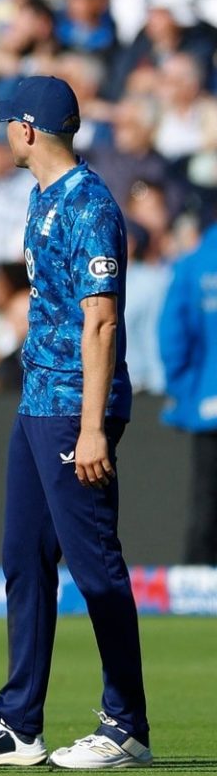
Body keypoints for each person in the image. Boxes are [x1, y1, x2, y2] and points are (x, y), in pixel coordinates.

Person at [0, 75, 151, 770]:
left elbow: (102, 320)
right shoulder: (43, 197)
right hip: (38, 403)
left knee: (94, 566)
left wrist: (91, 429)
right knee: (23, 558)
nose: (3, 132)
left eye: (8, 122)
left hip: (73, 409)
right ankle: (17, 725)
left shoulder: (89, 203)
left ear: (28, 129)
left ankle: (126, 726)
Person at [161, 226, 217, 567]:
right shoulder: (193, 264)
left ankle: (197, 584)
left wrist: (187, 394)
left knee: (207, 504)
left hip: (209, 405)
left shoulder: (193, 264)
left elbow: (173, 337)